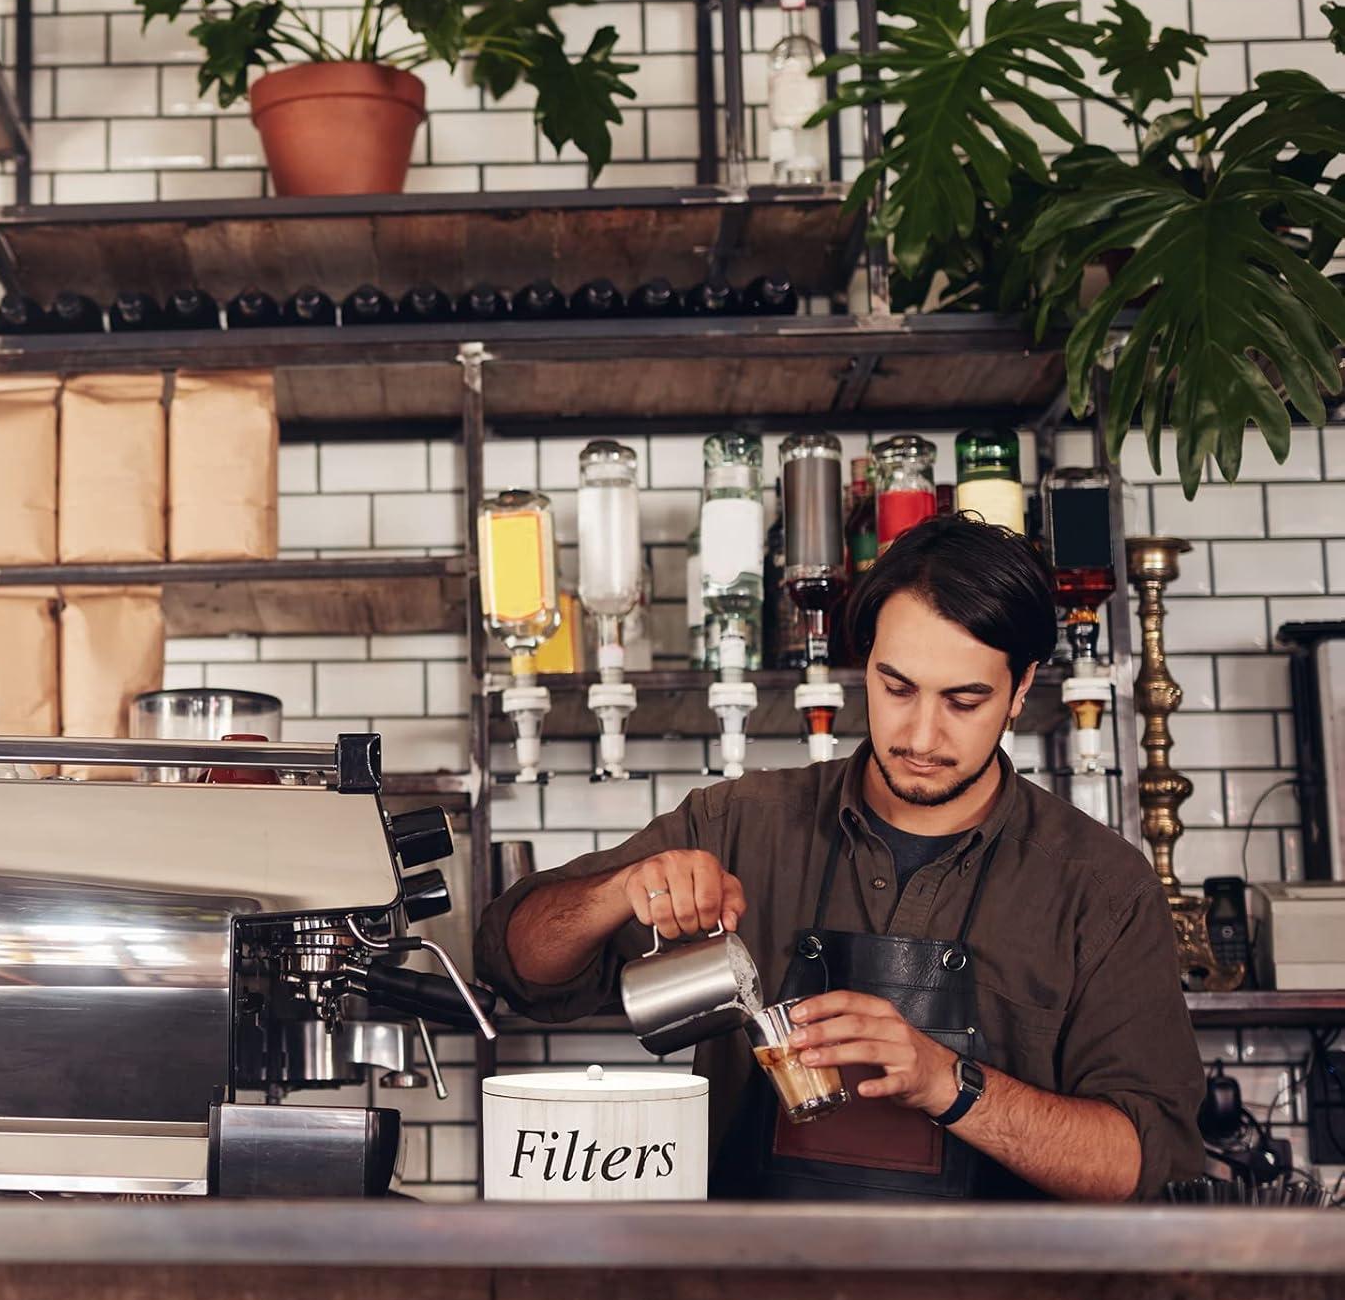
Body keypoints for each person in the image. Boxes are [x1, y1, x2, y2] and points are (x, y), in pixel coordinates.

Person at [476, 515, 1204, 1201]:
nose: (920, 735)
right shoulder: (738, 825)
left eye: (964, 701)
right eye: (896, 688)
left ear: (1020, 690)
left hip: (990, 1284)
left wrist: (947, 1082)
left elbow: (1147, 1164)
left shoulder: (1100, 888)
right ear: (865, 665)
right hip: (750, 1278)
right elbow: (515, 966)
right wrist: (620, 890)